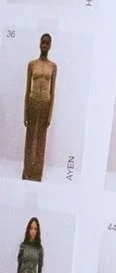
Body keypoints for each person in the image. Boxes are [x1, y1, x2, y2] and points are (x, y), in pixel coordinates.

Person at [22, 35, 57, 183]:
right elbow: (27, 88)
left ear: (50, 46)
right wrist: (25, 112)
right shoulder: (32, 64)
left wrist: (50, 115)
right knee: (30, 138)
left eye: (47, 43)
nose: (44, 45)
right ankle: (27, 172)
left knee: (41, 139)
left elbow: (52, 92)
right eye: (42, 42)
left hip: (45, 103)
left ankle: (37, 173)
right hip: (33, 101)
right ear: (39, 44)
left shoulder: (53, 67)